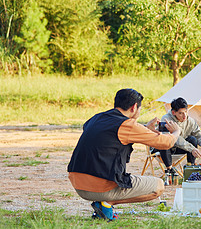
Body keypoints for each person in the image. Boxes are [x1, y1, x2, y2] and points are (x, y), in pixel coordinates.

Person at [68, 88, 181, 221]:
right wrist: (177, 131)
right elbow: (165, 143)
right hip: (100, 187)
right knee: (158, 186)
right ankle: (107, 203)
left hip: (77, 183)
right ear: (134, 107)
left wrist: (144, 129)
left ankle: (103, 204)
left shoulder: (96, 118)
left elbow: (108, 136)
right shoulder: (127, 124)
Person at [154, 97, 201, 171]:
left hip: (180, 148)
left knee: (193, 139)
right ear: (173, 112)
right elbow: (174, 139)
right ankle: (169, 171)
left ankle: (190, 167)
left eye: (186, 111)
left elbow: (199, 134)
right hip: (165, 149)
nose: (184, 116)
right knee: (165, 141)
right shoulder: (166, 119)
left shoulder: (190, 121)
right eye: (181, 113)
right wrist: (192, 149)